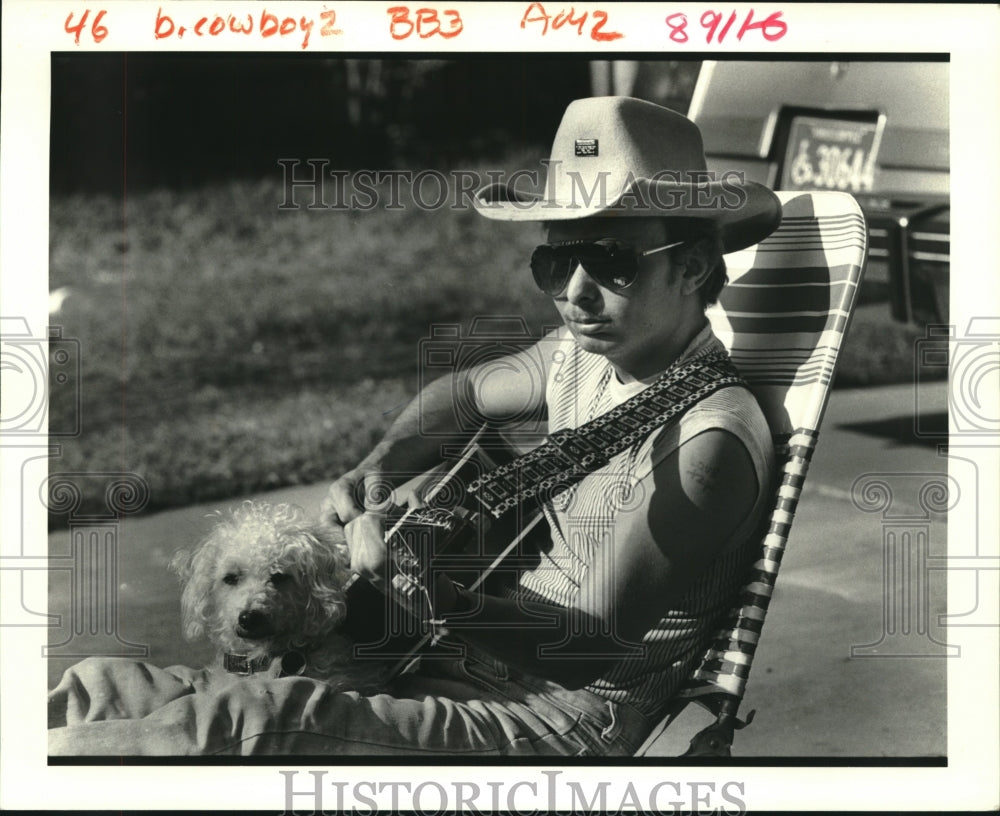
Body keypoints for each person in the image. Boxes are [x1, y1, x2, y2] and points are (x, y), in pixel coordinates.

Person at [48, 96, 780, 756]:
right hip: (437, 661)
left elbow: (584, 648)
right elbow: (462, 395)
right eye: (557, 260)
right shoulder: (580, 357)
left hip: (550, 715)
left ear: (689, 267)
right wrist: (376, 472)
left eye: (611, 261)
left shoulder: (704, 442)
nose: (575, 293)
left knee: (235, 723)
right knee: (100, 688)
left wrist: (434, 592)